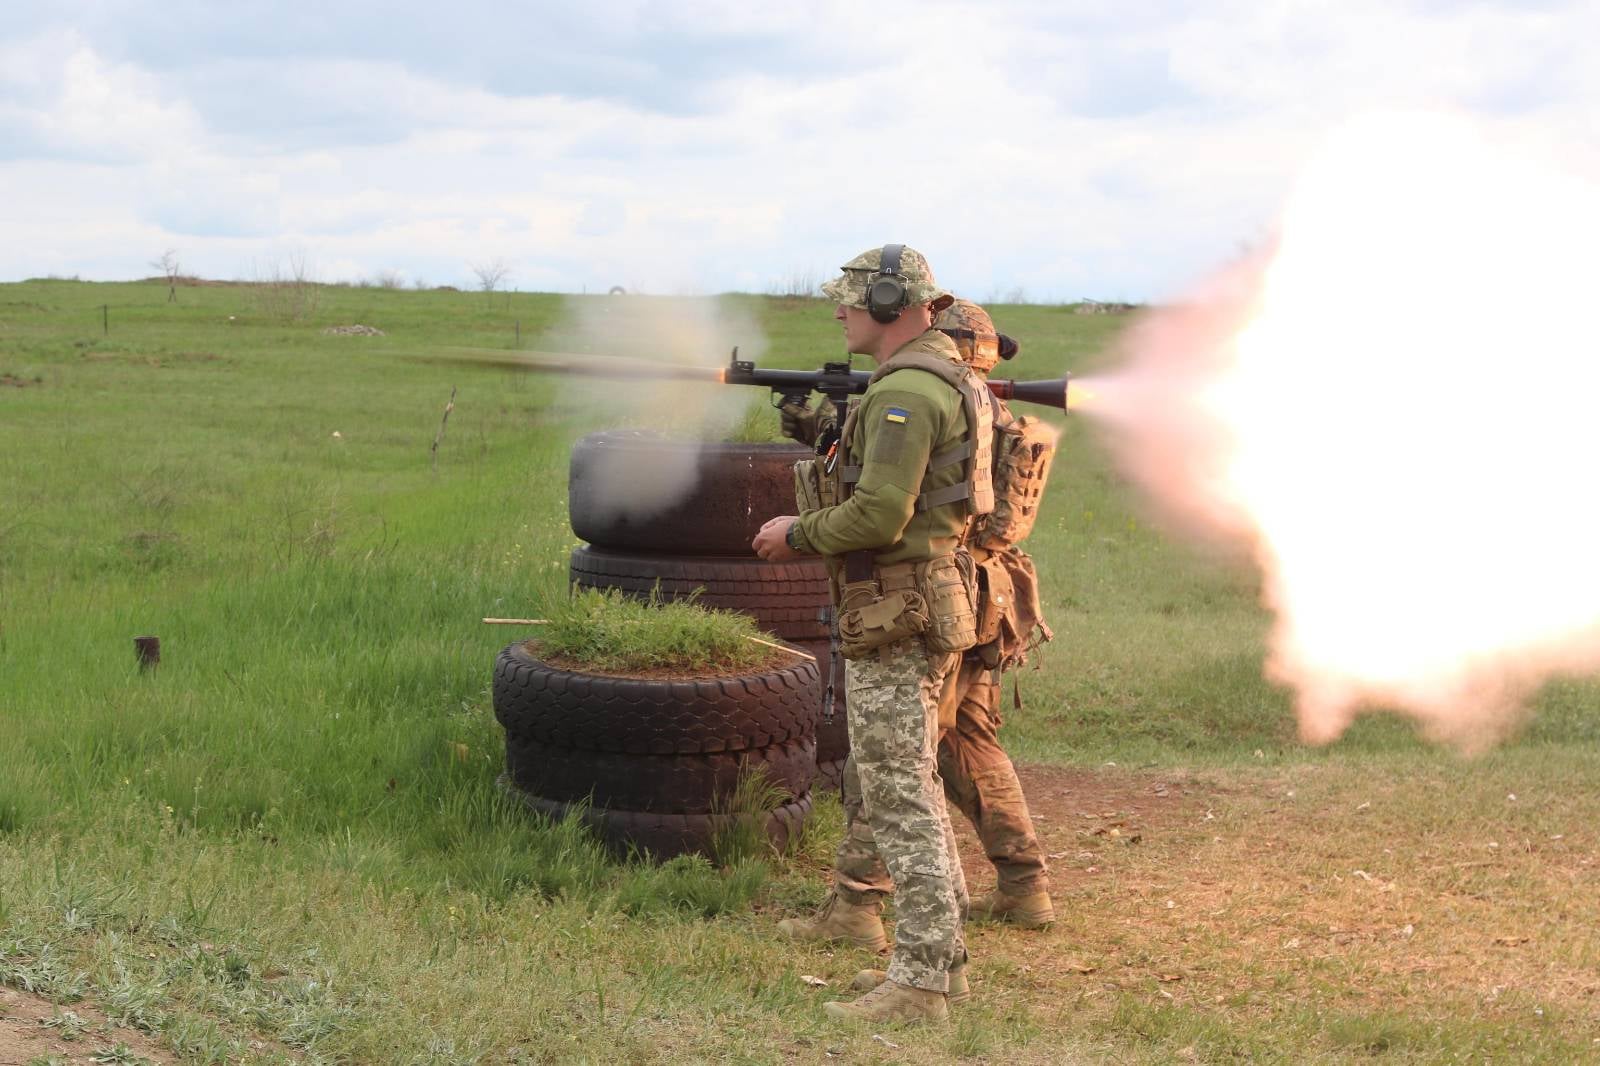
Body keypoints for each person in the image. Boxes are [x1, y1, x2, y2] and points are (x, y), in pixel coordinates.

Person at [776, 299, 1056, 1002]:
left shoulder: (929, 398)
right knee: (942, 754)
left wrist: (808, 523)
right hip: (970, 600)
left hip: (934, 599)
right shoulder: (982, 407)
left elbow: (890, 504)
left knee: (902, 768)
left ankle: (883, 920)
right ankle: (1009, 889)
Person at [753, 243, 979, 1025]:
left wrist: (796, 532)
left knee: (896, 796)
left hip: (898, 608)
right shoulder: (930, 376)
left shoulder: (907, 392)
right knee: (911, 785)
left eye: (850, 299)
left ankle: (919, 984)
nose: (839, 312)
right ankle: (941, 966)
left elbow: (881, 514)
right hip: (914, 603)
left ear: (890, 304)